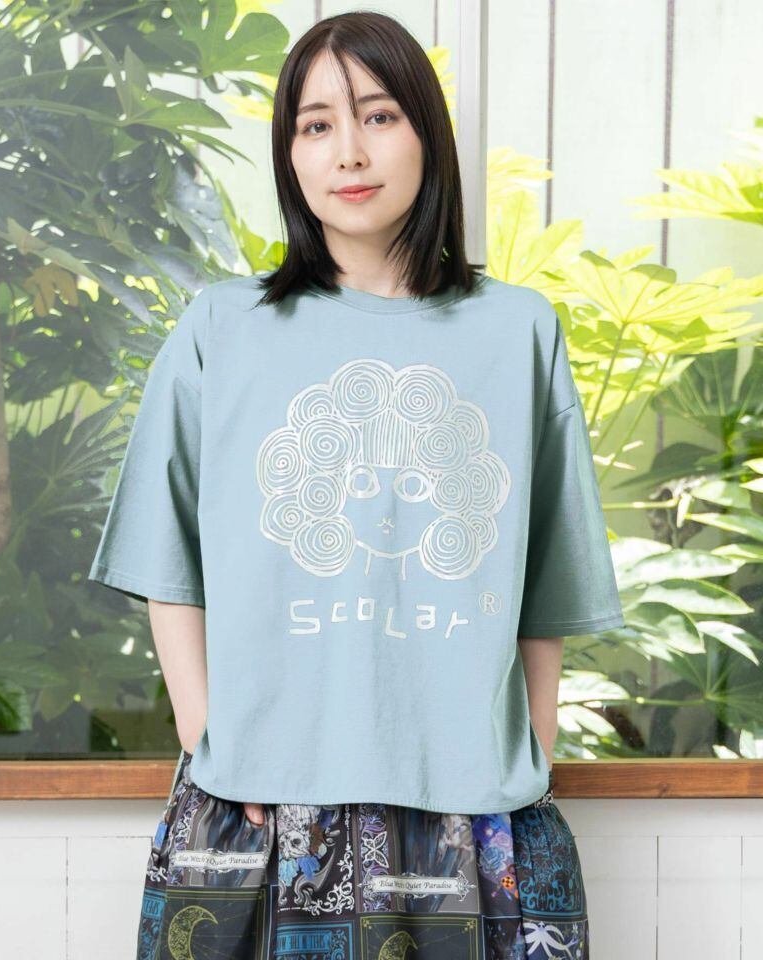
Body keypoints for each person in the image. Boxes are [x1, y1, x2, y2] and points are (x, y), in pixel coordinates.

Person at [88, 11, 624, 959]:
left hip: (478, 806)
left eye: (378, 116)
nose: (349, 151)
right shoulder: (221, 327)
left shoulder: (518, 331)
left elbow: (548, 568)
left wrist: (534, 739)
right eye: (316, 124)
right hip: (258, 804)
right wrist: (207, 731)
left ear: (427, 134)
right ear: (290, 153)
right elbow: (164, 552)